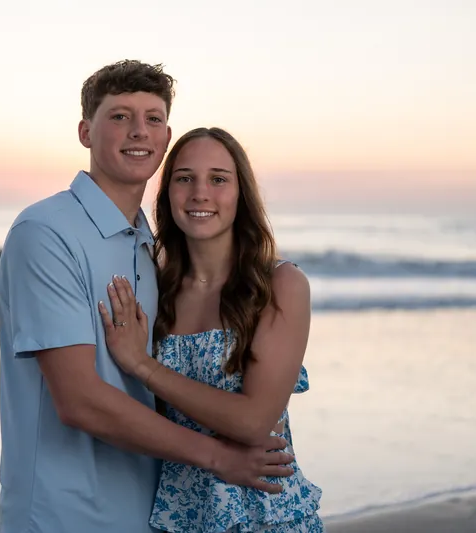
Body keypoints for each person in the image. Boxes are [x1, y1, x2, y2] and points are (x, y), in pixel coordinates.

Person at [0, 62, 294, 533]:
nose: (139, 131)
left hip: (150, 512)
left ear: (166, 134)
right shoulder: (47, 233)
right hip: (63, 512)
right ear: (85, 131)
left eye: (153, 118)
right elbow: (79, 401)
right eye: (119, 116)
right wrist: (219, 457)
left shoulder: (147, 247)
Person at [98, 126, 324, 532]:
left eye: (218, 179)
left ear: (242, 194)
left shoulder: (280, 286)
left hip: (266, 516)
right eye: (184, 178)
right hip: (176, 519)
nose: (200, 193)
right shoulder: (154, 289)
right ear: (168, 192)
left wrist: (142, 365)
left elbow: (254, 421)